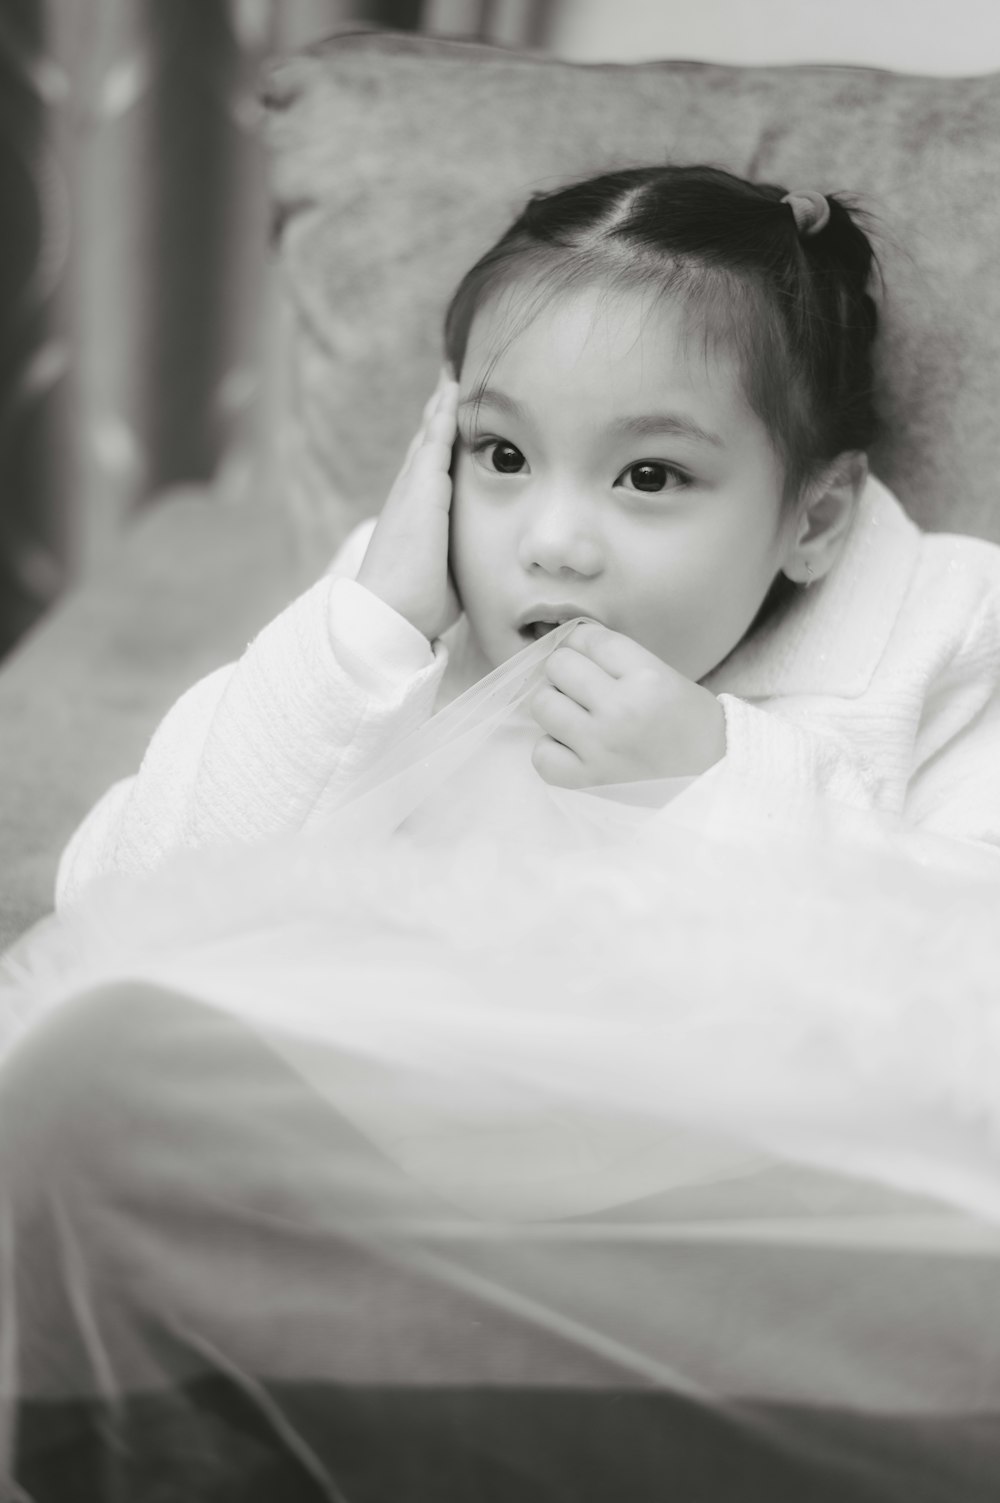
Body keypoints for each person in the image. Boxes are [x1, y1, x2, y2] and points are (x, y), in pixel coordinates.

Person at [6, 164, 1000, 1501]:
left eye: (650, 476)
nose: (553, 541)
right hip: (416, 1203)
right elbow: (116, 914)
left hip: (751, 1236)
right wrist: (366, 627)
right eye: (502, 455)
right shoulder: (398, 626)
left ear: (814, 517)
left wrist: (716, 782)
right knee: (96, 1066)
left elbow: (965, 996)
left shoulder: (939, 630)